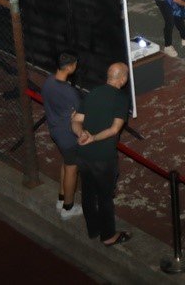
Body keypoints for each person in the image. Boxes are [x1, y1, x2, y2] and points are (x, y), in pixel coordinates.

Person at [71, 62, 132, 246]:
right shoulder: (121, 98)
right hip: (103, 158)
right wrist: (94, 138)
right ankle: (108, 236)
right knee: (105, 197)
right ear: (123, 79)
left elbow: (76, 120)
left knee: (88, 193)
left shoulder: (93, 93)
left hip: (83, 155)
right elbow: (114, 130)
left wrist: (81, 134)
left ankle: (93, 229)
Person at [41, 51, 82, 219]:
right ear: (70, 67)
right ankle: (68, 208)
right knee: (72, 169)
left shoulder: (48, 82)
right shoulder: (70, 92)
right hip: (68, 136)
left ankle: (61, 198)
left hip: (55, 131)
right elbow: (79, 115)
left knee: (66, 164)